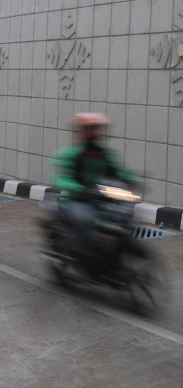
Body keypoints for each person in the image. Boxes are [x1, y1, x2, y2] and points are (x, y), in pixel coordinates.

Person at [51, 113, 141, 281]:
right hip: (75, 200)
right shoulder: (70, 154)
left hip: (99, 198)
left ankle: (112, 261)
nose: (95, 133)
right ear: (81, 131)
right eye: (90, 129)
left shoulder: (105, 153)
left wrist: (133, 181)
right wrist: (79, 189)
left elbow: (120, 171)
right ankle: (77, 263)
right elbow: (62, 178)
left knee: (123, 217)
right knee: (83, 218)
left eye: (97, 129)